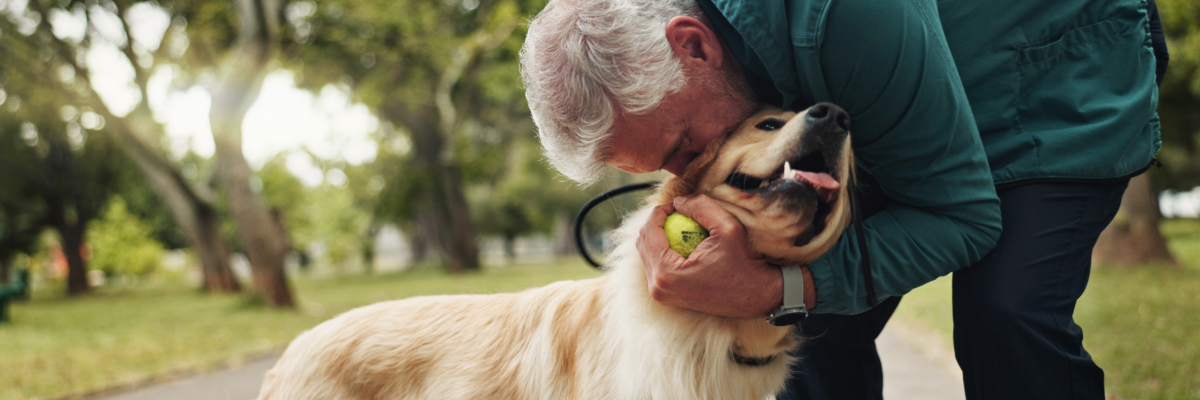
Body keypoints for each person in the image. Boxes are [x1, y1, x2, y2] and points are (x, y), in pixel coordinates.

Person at [519, 0, 1161, 399]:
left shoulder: (840, 11)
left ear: (693, 44)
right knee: (816, 337)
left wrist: (777, 290)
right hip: (894, 96)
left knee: (1007, 316)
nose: (689, 174)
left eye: (685, 145)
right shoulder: (694, 62)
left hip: (1051, 83)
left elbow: (959, 216)